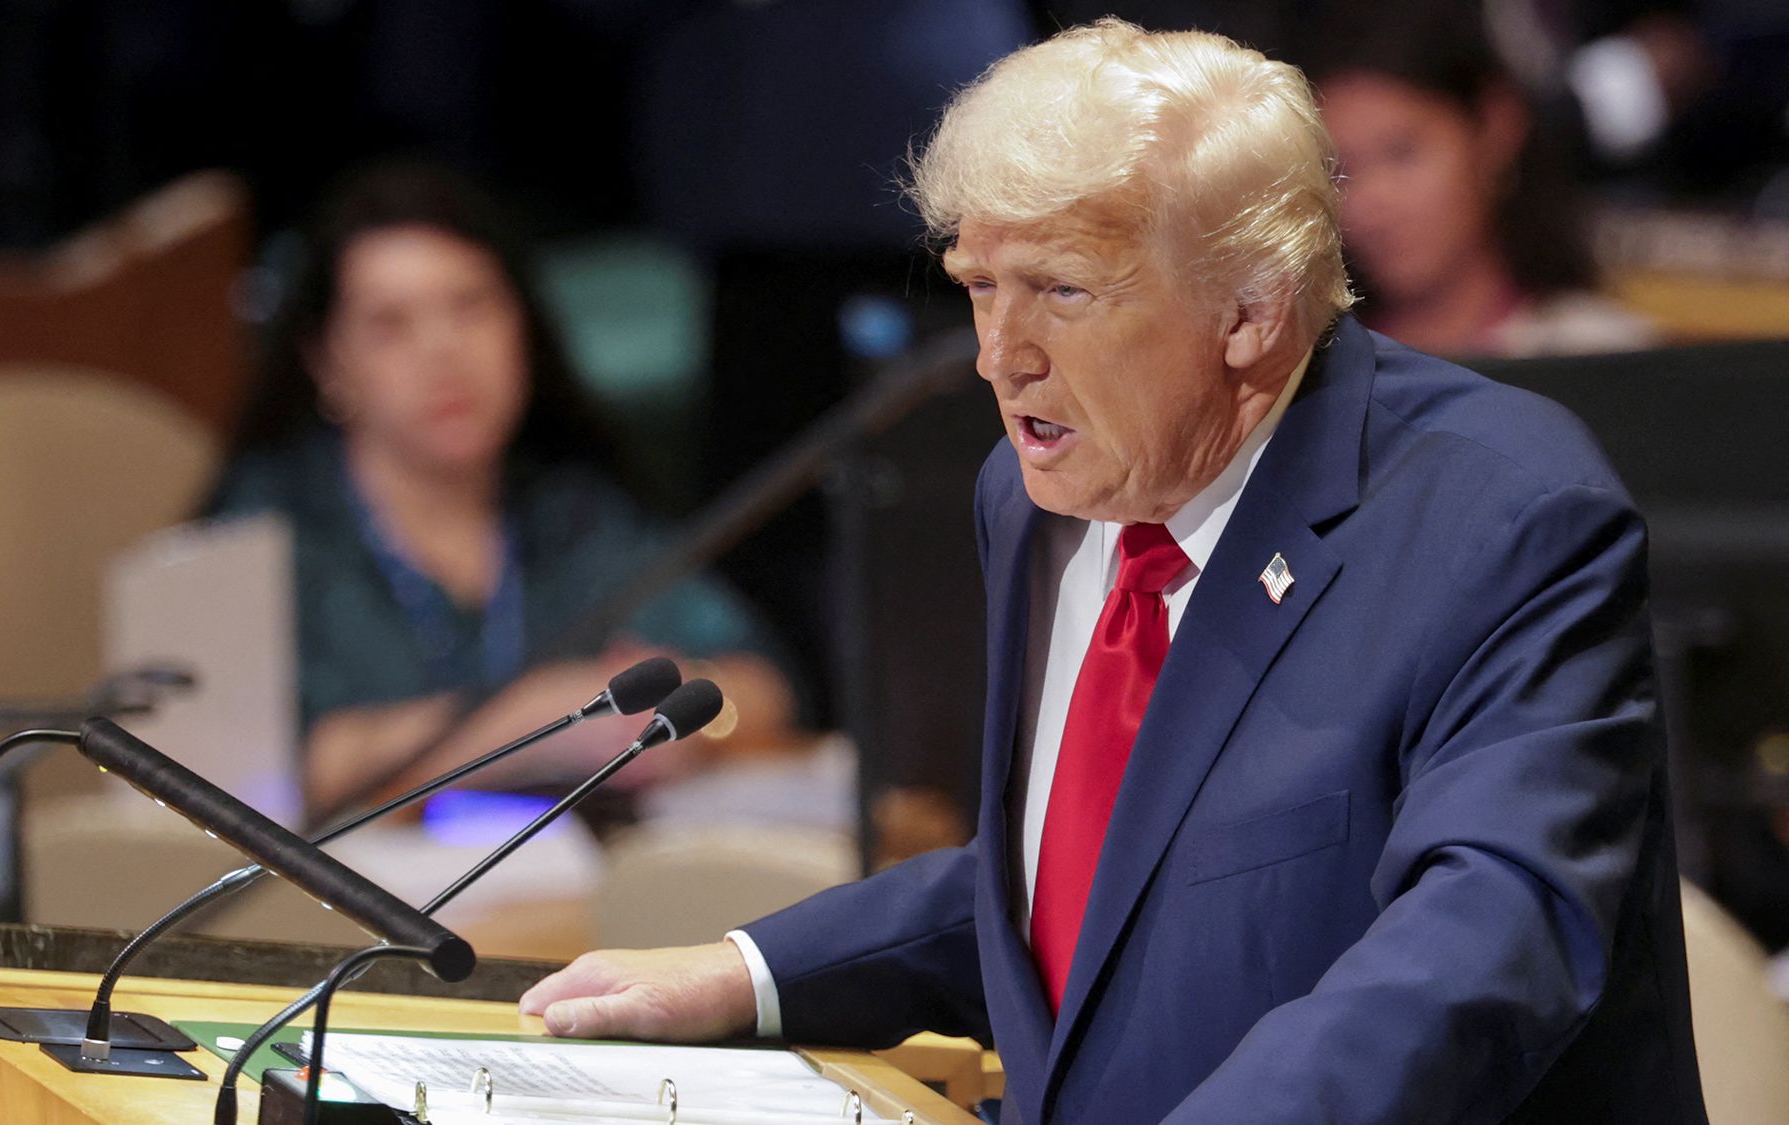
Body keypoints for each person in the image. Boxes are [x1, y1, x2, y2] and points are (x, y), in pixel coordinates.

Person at [518, 21, 1705, 1124]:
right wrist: (743, 973)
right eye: (979, 288)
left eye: (1061, 293)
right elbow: (1092, 874)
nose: (999, 359)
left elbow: (1487, 942)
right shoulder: (1034, 495)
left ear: (1248, 311)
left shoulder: (1497, 512)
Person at [207, 161, 799, 814]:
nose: (444, 351)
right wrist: (544, 719)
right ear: (327, 362)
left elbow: (761, 686)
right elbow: (259, 774)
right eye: (392, 324)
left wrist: (687, 721)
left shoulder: (568, 507)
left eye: (471, 305)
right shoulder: (262, 530)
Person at [1300, 0, 1656, 358]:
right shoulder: (1311, 368)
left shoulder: (1595, 352)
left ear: (1496, 128)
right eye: (1339, 171)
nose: (1367, 203)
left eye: (1401, 153)